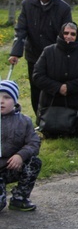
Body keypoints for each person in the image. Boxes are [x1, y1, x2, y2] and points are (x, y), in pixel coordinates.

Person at [9, 0, 72, 121]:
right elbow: (21, 29)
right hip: (33, 53)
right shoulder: (27, 5)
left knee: (52, 86)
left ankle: (55, 119)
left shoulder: (63, 8)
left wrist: (64, 52)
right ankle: (39, 118)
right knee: (36, 86)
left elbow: (66, 32)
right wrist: (15, 53)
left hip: (54, 55)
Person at [32, 22, 78, 137]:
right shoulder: (48, 51)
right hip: (53, 104)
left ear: (77, 36)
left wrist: (69, 87)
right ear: (61, 34)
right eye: (66, 33)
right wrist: (58, 87)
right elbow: (37, 76)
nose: (69, 36)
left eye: (73, 34)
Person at [0, 80, 42, 212]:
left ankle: (20, 198)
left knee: (34, 162)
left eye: (6, 97)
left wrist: (20, 155)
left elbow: (34, 143)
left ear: (15, 101)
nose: (1, 101)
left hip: (11, 166)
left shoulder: (24, 121)